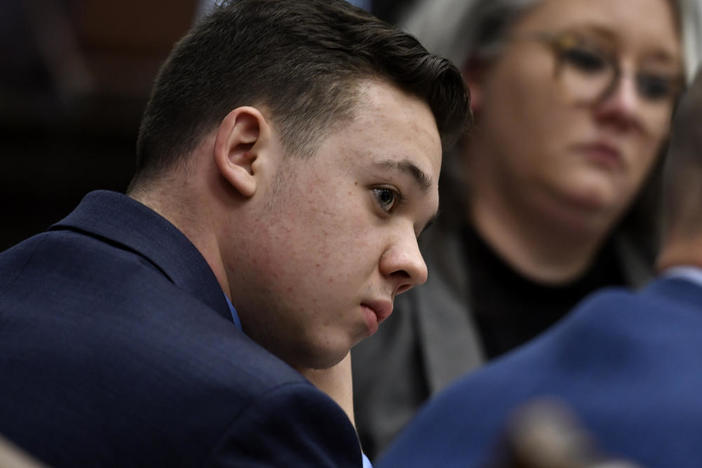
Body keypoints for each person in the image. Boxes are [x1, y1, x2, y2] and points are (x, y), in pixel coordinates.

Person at [0, 0, 469, 466]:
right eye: (386, 196)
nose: (415, 265)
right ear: (245, 153)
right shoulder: (259, 415)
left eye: (420, 229)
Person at [352, 0, 702, 456]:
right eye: (586, 58)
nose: (626, 107)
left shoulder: (680, 306)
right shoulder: (362, 291)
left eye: (657, 85)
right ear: (473, 73)